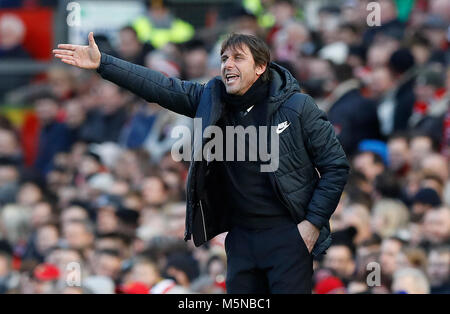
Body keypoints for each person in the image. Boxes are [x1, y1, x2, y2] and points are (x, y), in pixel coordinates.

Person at [52, 32, 350, 294]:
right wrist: (105, 64)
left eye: (237, 58)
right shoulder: (213, 98)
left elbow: (336, 166)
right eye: (223, 58)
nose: (227, 64)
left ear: (261, 67)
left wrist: (311, 225)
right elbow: (161, 87)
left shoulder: (297, 106)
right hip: (240, 239)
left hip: (287, 234)